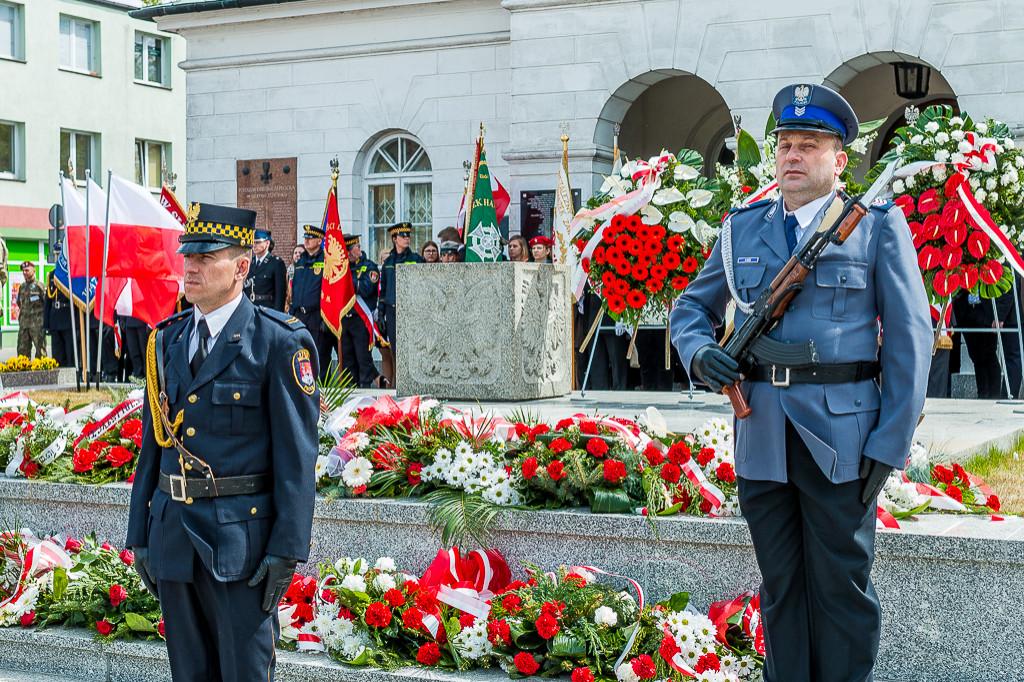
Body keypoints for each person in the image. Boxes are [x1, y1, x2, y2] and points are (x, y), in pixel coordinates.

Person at [670, 83, 931, 682]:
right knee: (781, 588)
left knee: (841, 590)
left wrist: (888, 445)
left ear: (839, 159)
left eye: (808, 145)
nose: (791, 156)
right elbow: (690, 309)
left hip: (841, 441)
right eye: (785, 145)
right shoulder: (743, 229)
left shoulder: (875, 228)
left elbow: (911, 341)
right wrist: (700, 352)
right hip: (762, 436)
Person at [126, 202, 319, 682]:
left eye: (206, 258)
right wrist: (140, 534)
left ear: (241, 267)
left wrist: (287, 549)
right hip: (173, 537)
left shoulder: (277, 342)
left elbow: (297, 459)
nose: (189, 267)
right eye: (187, 256)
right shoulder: (167, 340)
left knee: (244, 675)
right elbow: (154, 446)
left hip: (241, 546)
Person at [290, 224, 333, 380]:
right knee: (299, 351)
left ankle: (320, 389)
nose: (307, 241)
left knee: (319, 353)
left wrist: (326, 317)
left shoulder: (326, 260)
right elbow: (296, 287)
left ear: (320, 240)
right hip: (300, 314)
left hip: (317, 315)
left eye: (311, 238)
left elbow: (330, 290)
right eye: (306, 238)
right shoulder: (301, 260)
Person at [377, 222, 424, 360]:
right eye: (402, 236)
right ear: (394, 239)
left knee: (413, 350)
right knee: (396, 352)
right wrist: (381, 314)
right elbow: (383, 290)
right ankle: (399, 382)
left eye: (408, 235)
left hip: (411, 311)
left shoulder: (416, 259)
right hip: (392, 311)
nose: (407, 238)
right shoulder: (389, 262)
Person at [339, 233, 380, 387]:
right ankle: (351, 391)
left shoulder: (369, 267)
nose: (348, 254)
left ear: (358, 247)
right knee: (347, 359)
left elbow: (366, 288)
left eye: (351, 249)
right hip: (345, 318)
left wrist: (348, 281)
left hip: (361, 319)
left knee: (363, 358)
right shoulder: (343, 268)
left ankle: (365, 389)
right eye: (345, 251)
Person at [243, 229, 288, 311]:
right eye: (253, 242)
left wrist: (277, 315)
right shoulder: (250, 263)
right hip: (250, 308)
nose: (254, 245)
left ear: (267, 243)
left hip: (267, 309)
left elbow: (280, 294)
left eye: (258, 242)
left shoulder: (276, 263)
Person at [43, 259, 75, 368]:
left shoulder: (72, 273)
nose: (58, 257)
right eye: (56, 254)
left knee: (70, 353)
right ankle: (59, 378)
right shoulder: (52, 275)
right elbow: (47, 302)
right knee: (57, 353)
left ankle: (72, 378)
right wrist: (45, 324)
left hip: (68, 318)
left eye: (60, 254)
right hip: (55, 319)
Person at [16, 261, 46, 359]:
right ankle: (23, 372)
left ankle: (41, 373)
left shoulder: (39, 286)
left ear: (33, 270)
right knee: (22, 350)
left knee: (40, 350)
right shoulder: (22, 287)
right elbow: (19, 303)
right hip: (24, 324)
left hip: (37, 324)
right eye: (23, 271)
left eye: (27, 270)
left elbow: (46, 303)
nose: (24, 272)